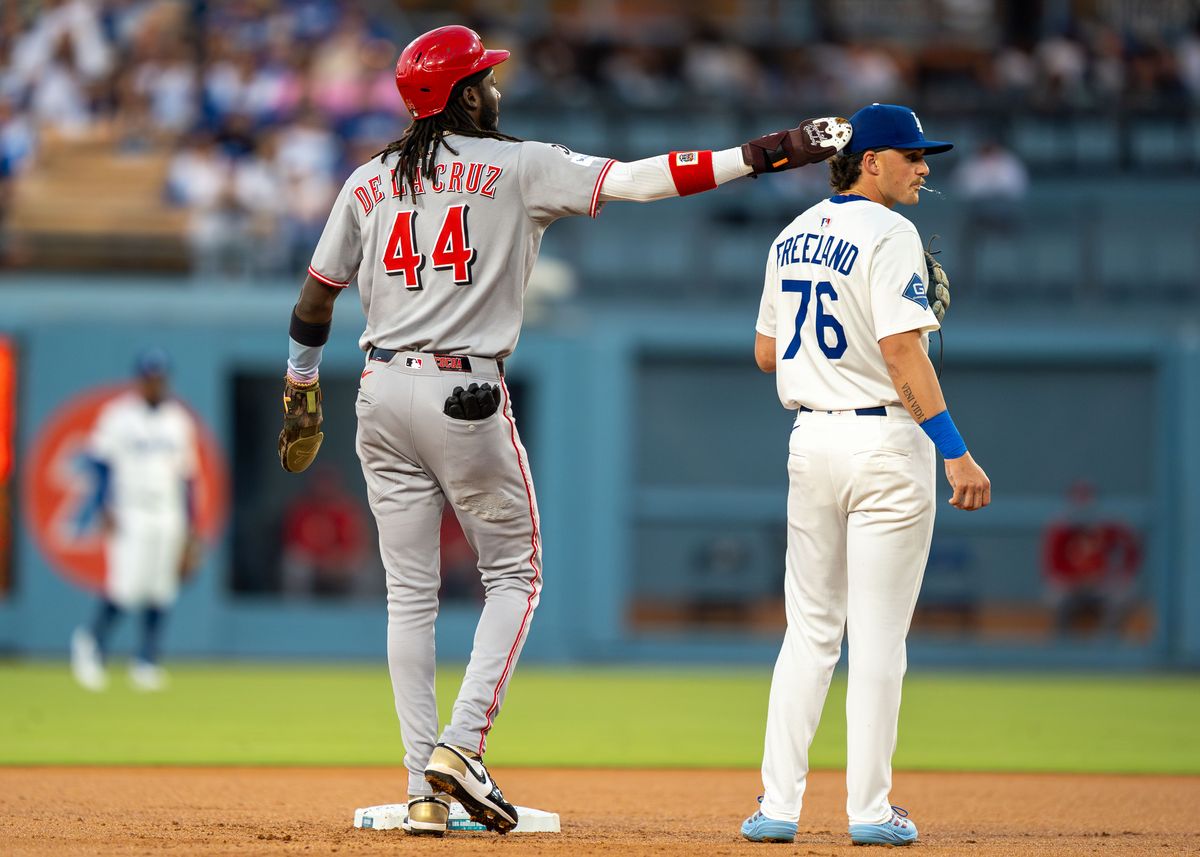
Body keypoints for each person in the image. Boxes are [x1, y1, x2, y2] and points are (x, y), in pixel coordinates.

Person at [276, 24, 851, 838]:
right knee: (515, 576)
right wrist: (767, 152)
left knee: (410, 598)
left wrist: (300, 386)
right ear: (465, 94)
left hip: (378, 390)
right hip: (462, 389)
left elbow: (314, 299)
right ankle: (461, 747)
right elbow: (648, 180)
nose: (496, 87)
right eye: (484, 77)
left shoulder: (368, 181)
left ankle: (422, 793)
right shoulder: (519, 163)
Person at [740, 104, 991, 847]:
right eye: (911, 156)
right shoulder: (891, 233)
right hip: (886, 442)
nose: (924, 167)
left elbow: (765, 353)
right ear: (870, 160)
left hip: (810, 440)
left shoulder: (790, 235)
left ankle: (777, 807)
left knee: (811, 631)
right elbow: (903, 354)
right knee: (879, 637)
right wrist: (955, 449)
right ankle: (871, 813)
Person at [70, 348, 200, 692]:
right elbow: (100, 465)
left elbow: (188, 478)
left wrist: (191, 530)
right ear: (139, 380)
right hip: (130, 509)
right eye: (148, 378)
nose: (154, 384)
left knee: (160, 589)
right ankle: (90, 644)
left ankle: (146, 660)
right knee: (124, 587)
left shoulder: (178, 420)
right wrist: (102, 506)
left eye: (159, 378)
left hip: (167, 510)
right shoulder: (118, 415)